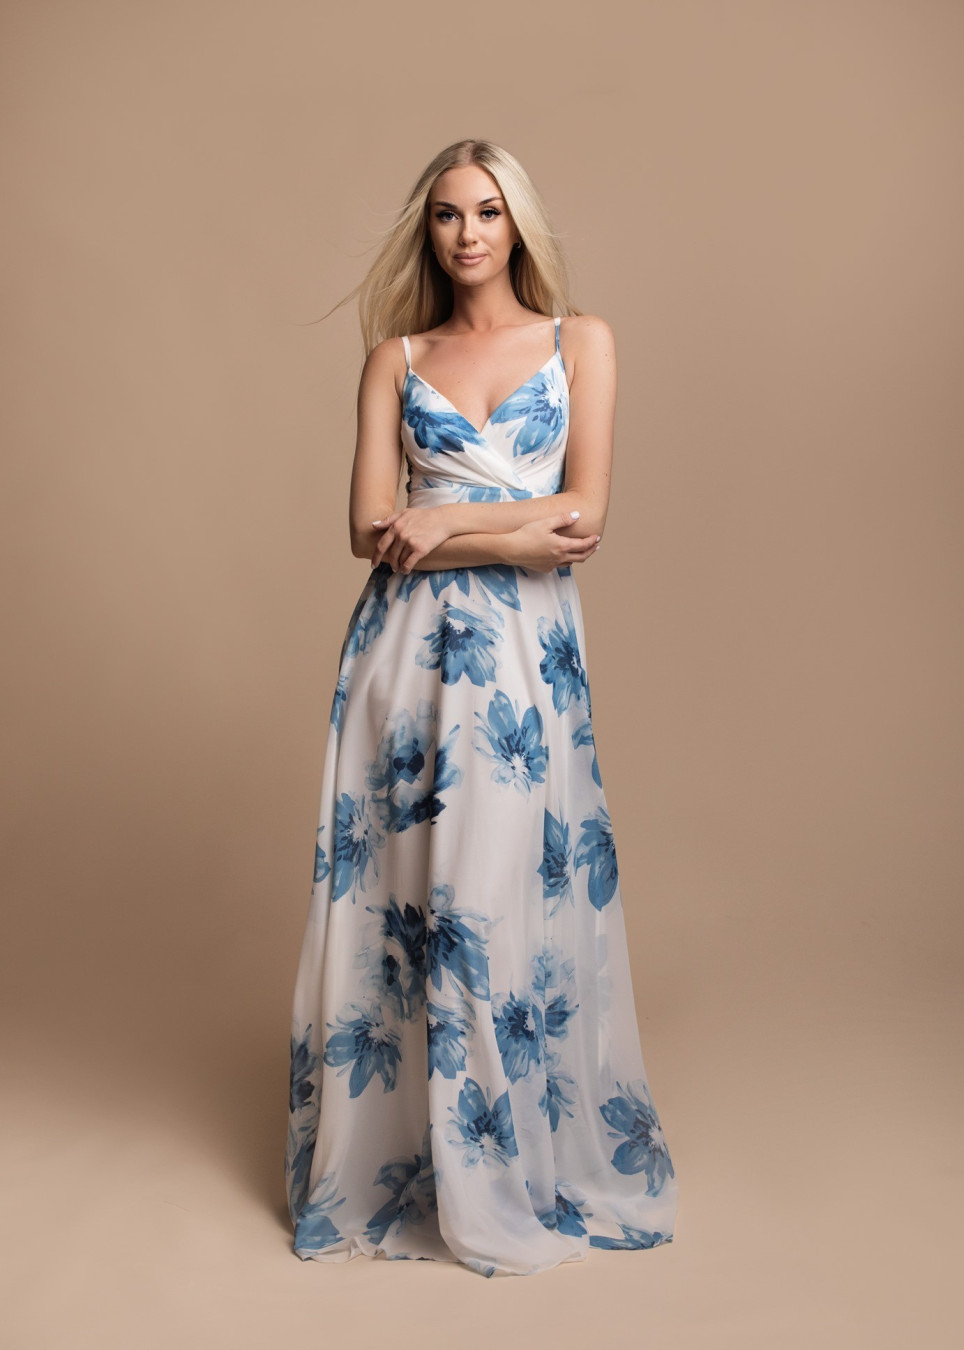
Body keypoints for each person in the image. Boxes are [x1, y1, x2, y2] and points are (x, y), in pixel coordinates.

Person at [285, 138, 678, 1278]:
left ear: (519, 226)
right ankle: (416, 1167)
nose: (468, 234)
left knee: (496, 900)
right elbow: (368, 530)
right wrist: (505, 534)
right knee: (412, 905)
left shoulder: (579, 342)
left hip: (522, 657)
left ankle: (503, 1171)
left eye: (489, 212)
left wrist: (450, 520)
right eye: (449, 214)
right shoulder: (395, 358)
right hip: (404, 659)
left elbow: (583, 515)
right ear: (429, 230)